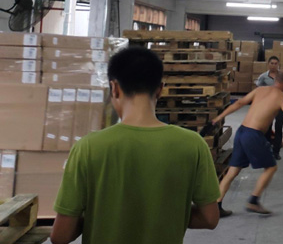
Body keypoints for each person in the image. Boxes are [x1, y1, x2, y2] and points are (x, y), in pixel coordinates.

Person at [51, 47, 220, 244]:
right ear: (160, 89)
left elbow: (60, 236)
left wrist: (97, 217)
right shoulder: (193, 144)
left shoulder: (88, 147)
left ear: (114, 88)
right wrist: (167, 214)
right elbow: (210, 218)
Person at [213, 71, 283, 217]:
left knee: (233, 171)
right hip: (253, 135)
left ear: (275, 80)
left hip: (242, 132)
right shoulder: (282, 98)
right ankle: (254, 201)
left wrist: (219, 117)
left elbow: (239, 103)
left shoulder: (260, 90)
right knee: (271, 168)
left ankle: (217, 206)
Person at [254, 56, 283, 160]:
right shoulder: (263, 77)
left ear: (278, 64)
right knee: (267, 128)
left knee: (279, 128)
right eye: (272, 63)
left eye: (275, 63)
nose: (273, 65)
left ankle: (276, 152)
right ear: (268, 64)